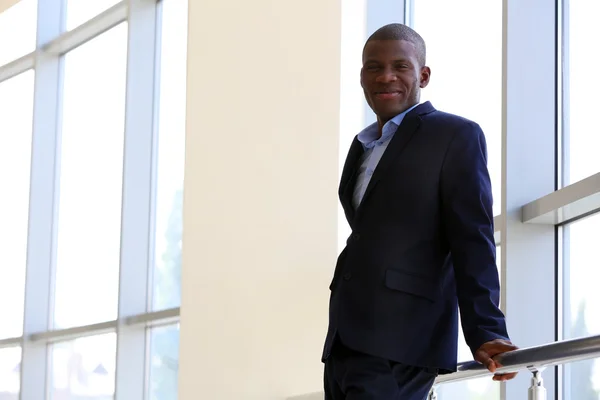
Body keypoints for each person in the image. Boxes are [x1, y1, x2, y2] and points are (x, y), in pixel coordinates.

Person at [322, 23, 518, 399]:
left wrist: (487, 331)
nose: (386, 76)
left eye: (400, 66)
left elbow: (472, 238)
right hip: (345, 340)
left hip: (401, 339)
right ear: (362, 75)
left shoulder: (454, 135)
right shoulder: (363, 145)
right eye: (373, 67)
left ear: (423, 75)